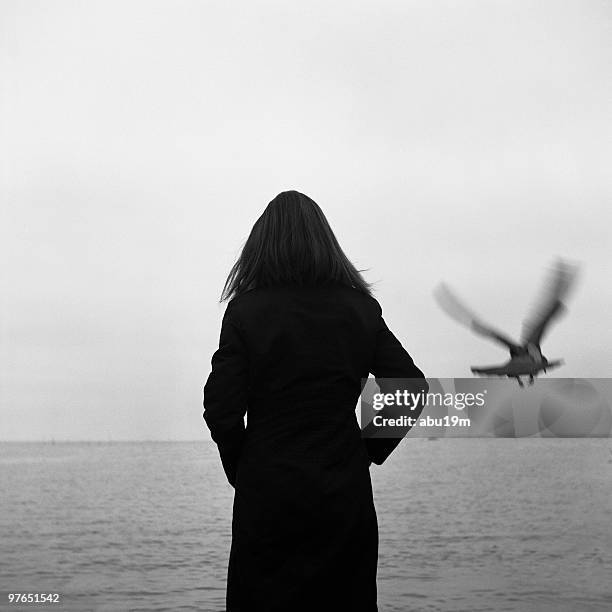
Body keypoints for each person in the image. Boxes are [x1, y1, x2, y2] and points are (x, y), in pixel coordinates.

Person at [203, 190, 428, 612]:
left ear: (260, 246)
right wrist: (365, 451)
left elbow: (221, 409)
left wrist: (244, 468)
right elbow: (410, 388)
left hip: (266, 496)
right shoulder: (359, 309)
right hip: (344, 496)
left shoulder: (246, 312)